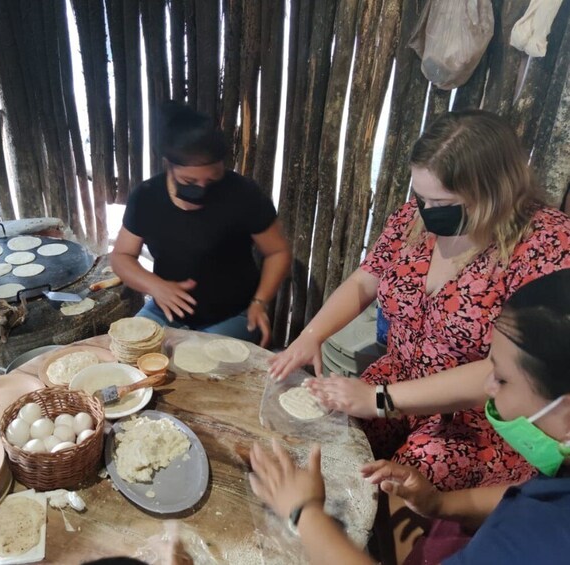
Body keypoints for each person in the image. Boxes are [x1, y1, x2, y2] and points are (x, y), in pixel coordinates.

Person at [270, 110, 570, 490]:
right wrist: (311, 334)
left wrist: (379, 400)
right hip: (396, 377)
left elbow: (507, 370)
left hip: (477, 419)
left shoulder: (547, 246)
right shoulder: (416, 217)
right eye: (420, 197)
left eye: (442, 203)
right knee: (322, 438)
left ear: (497, 190)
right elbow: (367, 279)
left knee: (388, 484)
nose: (427, 213)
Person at [251, 269, 570, 564]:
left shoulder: (539, 533)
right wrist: (439, 504)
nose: (486, 386)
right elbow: (520, 494)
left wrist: (303, 513)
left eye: (500, 379)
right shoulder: (556, 474)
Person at [111, 102, 291, 347]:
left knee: (195, 363)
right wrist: (156, 286)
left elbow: (278, 252)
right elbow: (122, 256)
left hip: (234, 312)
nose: (202, 187)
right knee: (129, 351)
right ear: (169, 165)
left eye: (213, 177)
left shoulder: (242, 194)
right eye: (190, 180)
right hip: (167, 308)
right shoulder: (147, 197)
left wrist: (260, 302)